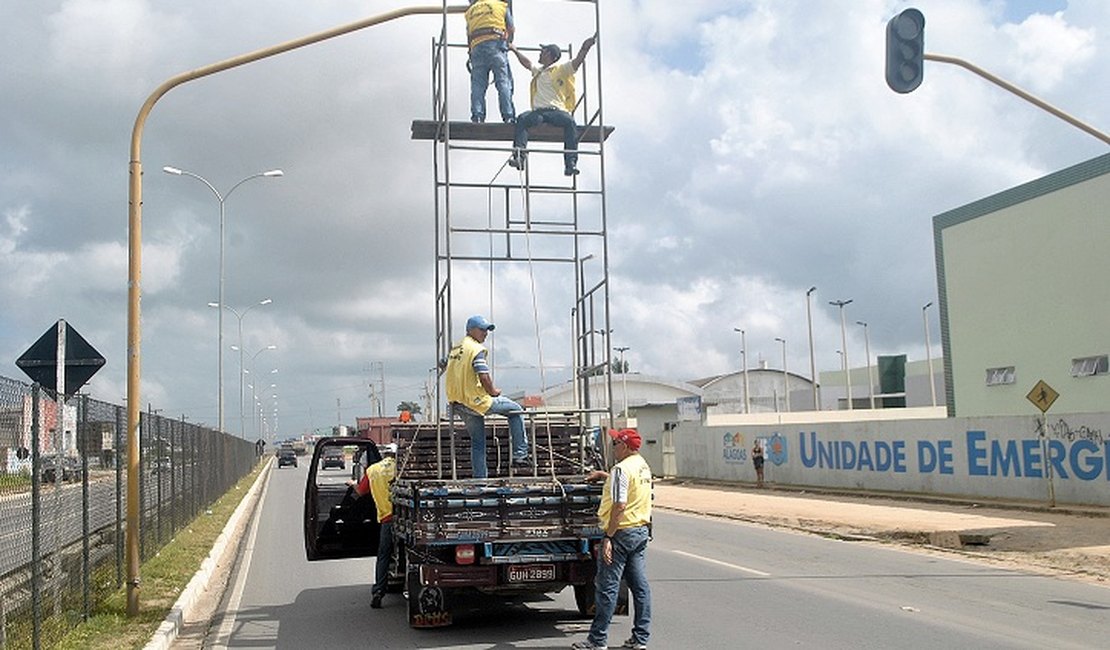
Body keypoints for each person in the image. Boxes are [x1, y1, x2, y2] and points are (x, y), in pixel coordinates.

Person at [574, 428, 652, 650]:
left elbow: (620, 505)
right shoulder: (642, 466)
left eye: (616, 443)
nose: (613, 446)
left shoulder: (621, 470)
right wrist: (604, 476)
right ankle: (640, 638)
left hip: (620, 533)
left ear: (625, 446)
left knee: (607, 587)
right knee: (640, 587)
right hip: (639, 532)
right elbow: (630, 485)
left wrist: (608, 536)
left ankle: (597, 641)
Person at [444, 315, 530, 478]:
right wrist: (492, 391)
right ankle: (520, 455)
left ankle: (480, 480)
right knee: (516, 410)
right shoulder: (476, 350)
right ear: (470, 330)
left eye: (487, 330)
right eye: (482, 330)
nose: (485, 333)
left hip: (459, 403)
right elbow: (483, 375)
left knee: (478, 443)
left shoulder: (456, 348)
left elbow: (445, 363)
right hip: (476, 400)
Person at [507, 35, 596, 176]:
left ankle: (570, 163)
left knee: (570, 123)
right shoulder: (540, 71)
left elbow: (578, 61)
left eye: (543, 51)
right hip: (539, 112)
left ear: (549, 54)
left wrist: (585, 48)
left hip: (557, 111)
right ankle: (519, 156)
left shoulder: (561, 69)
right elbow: (527, 63)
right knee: (523, 119)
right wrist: (515, 50)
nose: (540, 53)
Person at [346, 446, 396, 609]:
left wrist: (353, 483)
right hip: (408, 519)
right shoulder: (403, 467)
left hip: (387, 520)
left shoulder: (372, 470)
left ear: (383, 455)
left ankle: (378, 592)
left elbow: (361, 491)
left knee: (383, 555)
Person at [465, 0, 516, 123]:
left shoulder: (471, 10)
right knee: (503, 82)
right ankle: (508, 116)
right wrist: (508, 41)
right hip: (496, 45)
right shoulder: (502, 6)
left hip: (476, 47)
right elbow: (511, 28)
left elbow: (468, 33)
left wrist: (471, 52)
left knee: (478, 85)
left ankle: (477, 115)